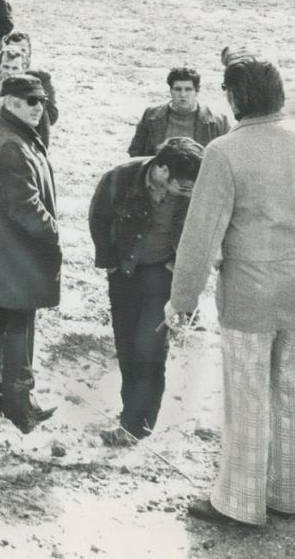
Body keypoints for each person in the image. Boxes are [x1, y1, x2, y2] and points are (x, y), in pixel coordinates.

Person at [167, 55, 295, 528]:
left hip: (250, 295)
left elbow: (201, 234)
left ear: (232, 98)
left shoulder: (227, 150)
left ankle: (240, 503)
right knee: (292, 393)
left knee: (247, 397)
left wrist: (182, 301)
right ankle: (283, 495)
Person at [87, 137, 205, 444]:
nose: (190, 191)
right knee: (127, 347)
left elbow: (201, 232)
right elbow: (98, 219)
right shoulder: (120, 177)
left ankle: (139, 425)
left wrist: (177, 265)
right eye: (185, 185)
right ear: (163, 171)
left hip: (161, 275)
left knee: (149, 348)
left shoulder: (192, 189)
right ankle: (131, 417)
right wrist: (110, 263)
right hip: (124, 273)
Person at [0, 74, 61, 432]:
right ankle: (21, 406)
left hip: (0, 252)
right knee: (19, 331)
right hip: (17, 254)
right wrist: (52, 234)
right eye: (30, 101)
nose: (39, 107)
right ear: (9, 103)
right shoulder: (11, 143)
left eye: (40, 100)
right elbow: (25, 206)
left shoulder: (8, 135)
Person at [128, 66, 231, 157]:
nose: (183, 94)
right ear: (170, 91)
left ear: (196, 91)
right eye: (178, 89)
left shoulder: (218, 121)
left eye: (188, 89)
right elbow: (135, 153)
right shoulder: (151, 115)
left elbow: (227, 157)